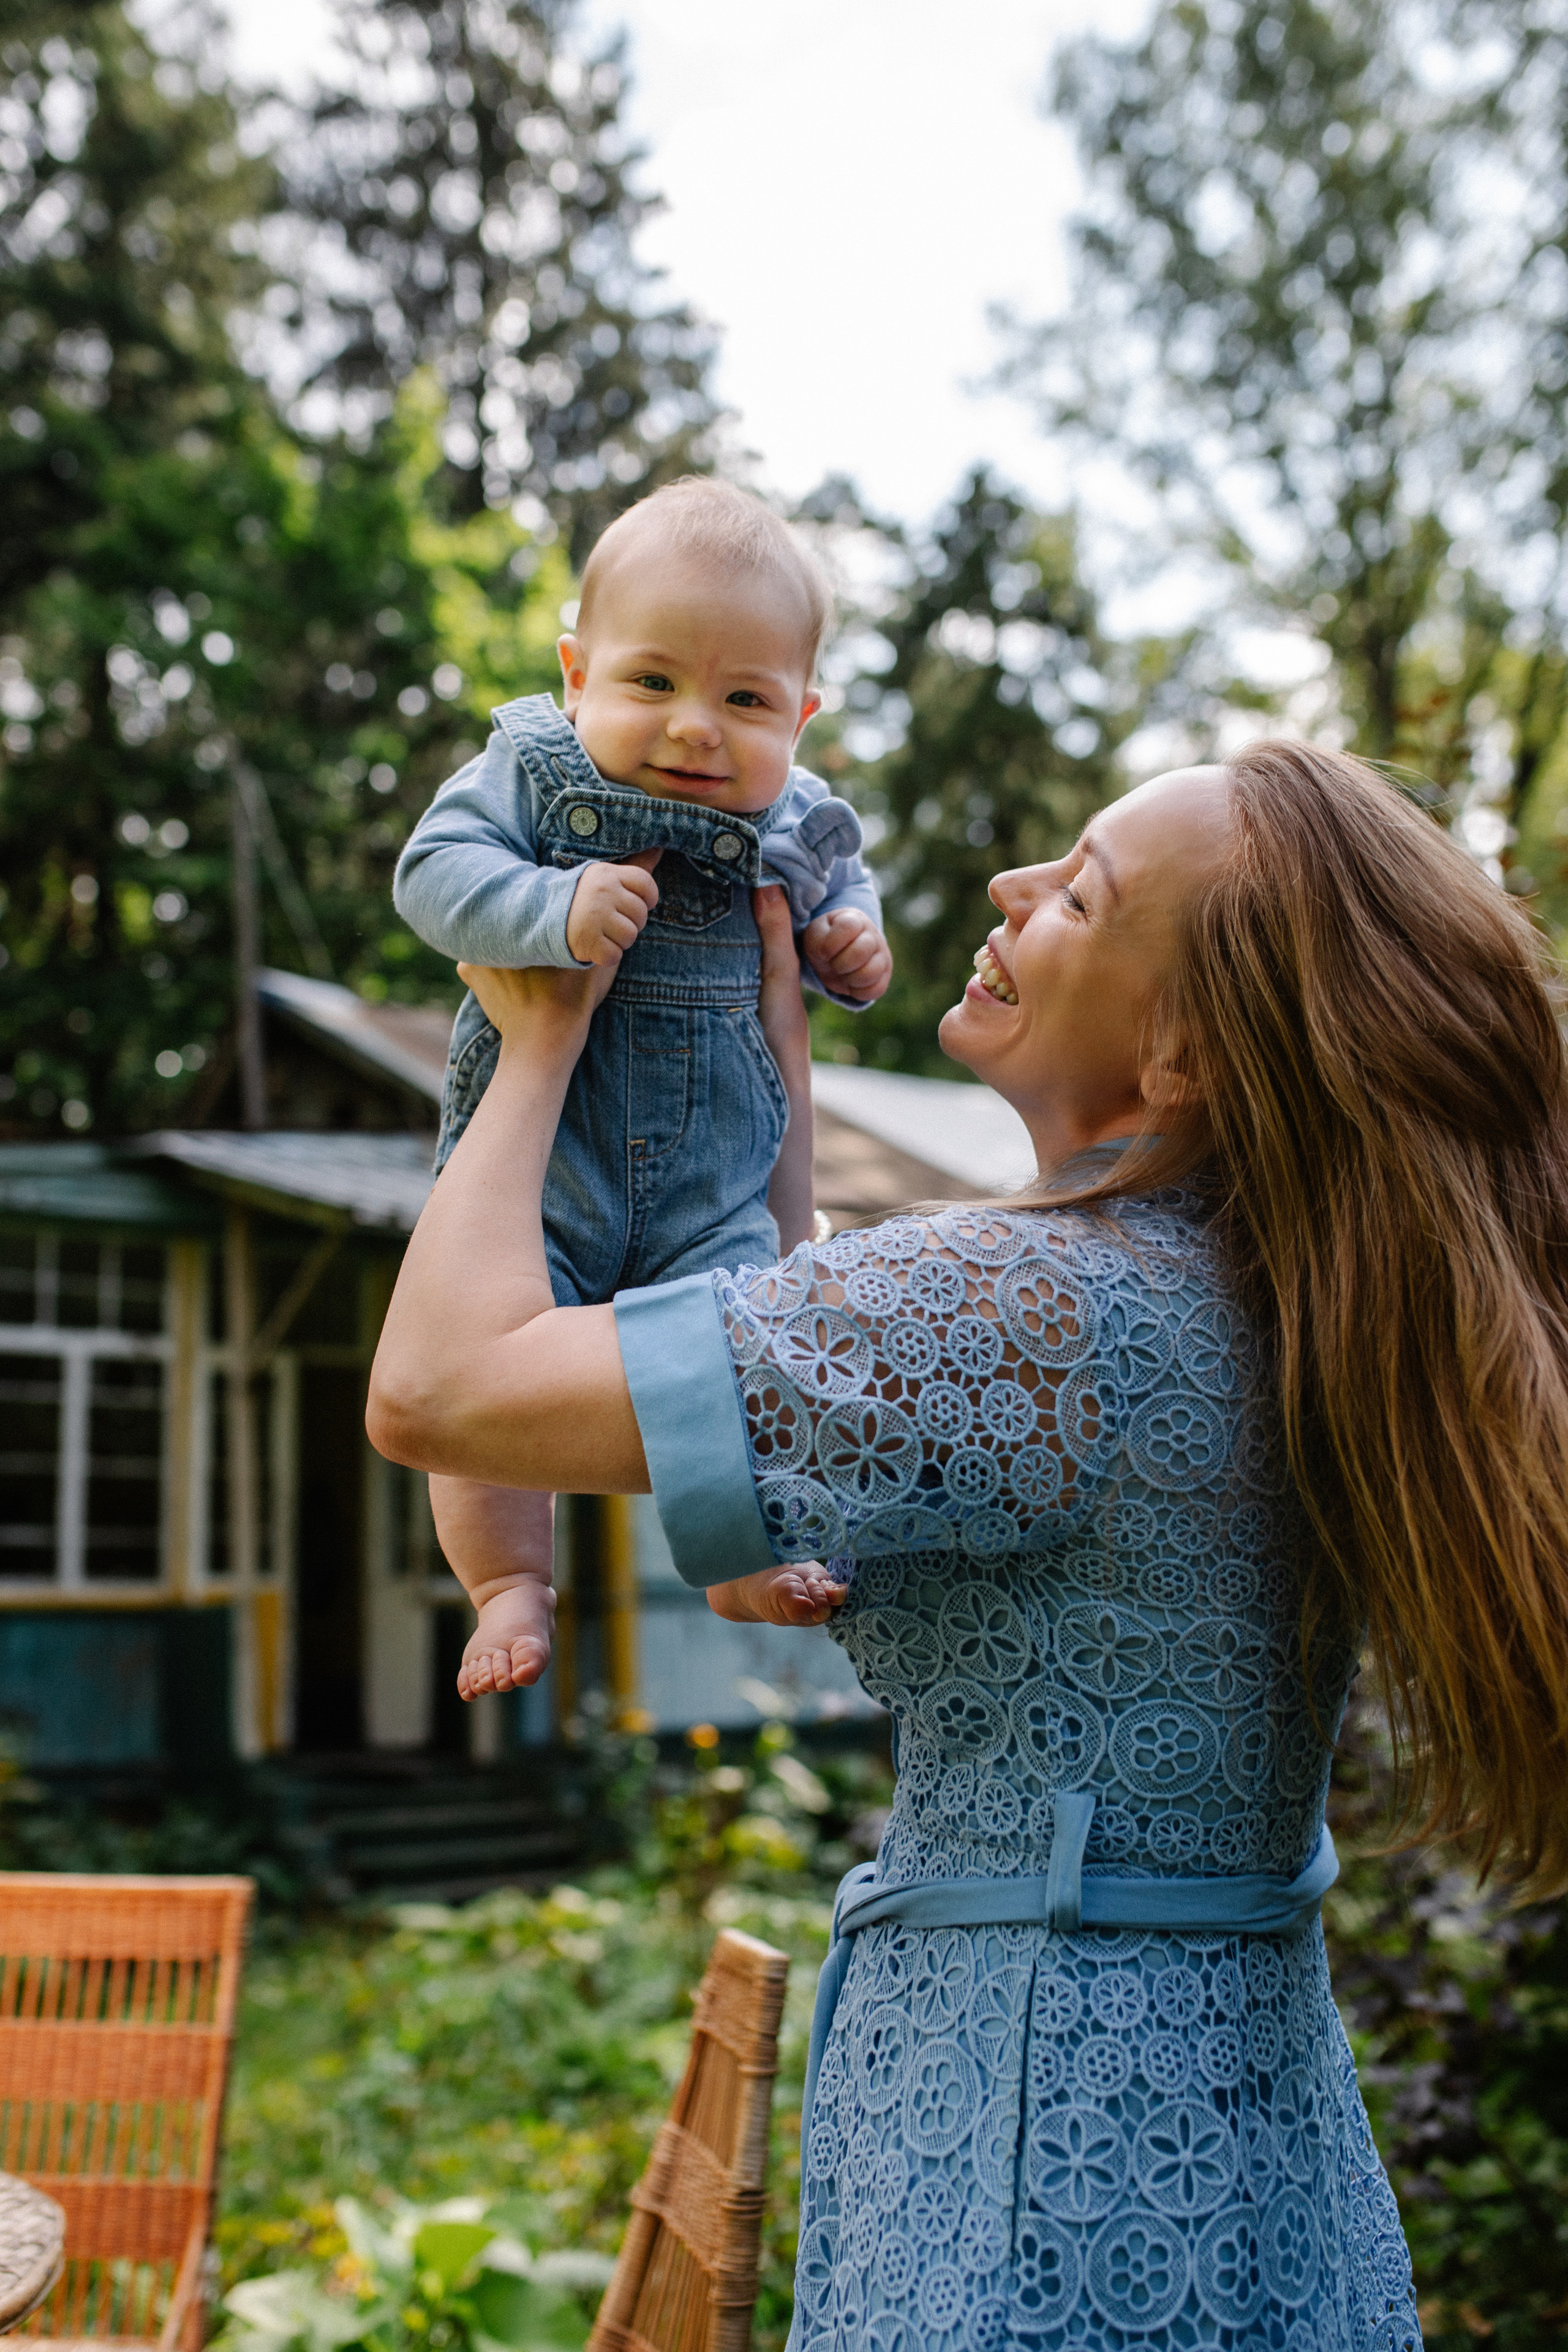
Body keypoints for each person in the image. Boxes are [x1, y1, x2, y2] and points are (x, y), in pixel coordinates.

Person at [368, 741, 1568, 2348]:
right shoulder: (1277, 1293)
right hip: (1240, 2138)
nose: (1012, 890)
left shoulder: (1029, 1310)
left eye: (1080, 892)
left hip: (1028, 2166)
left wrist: (534, 1040)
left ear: (1188, 1045)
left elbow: (443, 1387)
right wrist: (773, 1084)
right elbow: (830, 1422)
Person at [391, 478, 892, 1702]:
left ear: (802, 716)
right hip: (547, 1166)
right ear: (576, 673)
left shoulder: (799, 815)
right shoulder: (532, 770)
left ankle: (734, 1558)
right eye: (652, 683)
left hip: (713, 1179)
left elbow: (840, 892)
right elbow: (431, 874)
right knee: (484, 1408)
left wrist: (847, 943)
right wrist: (548, 908)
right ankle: (510, 1578)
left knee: (741, 1354)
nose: (694, 729)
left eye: (744, 699)